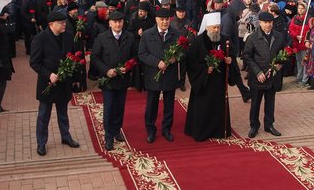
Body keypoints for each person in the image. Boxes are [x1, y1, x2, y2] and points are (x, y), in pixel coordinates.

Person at [30, 11, 80, 156]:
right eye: (61, 23)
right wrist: (49, 74)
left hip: (64, 82)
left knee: (63, 112)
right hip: (48, 83)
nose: (65, 24)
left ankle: (66, 136)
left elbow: (73, 57)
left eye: (65, 22)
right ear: (51, 24)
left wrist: (75, 77)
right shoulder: (40, 38)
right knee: (44, 115)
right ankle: (41, 142)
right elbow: (34, 62)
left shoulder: (68, 35)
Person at [90, 11, 136, 151]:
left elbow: (134, 56)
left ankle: (117, 130)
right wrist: (106, 70)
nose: (118, 24)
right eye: (115, 22)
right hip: (108, 80)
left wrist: (128, 67)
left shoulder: (129, 37)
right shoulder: (102, 37)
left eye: (120, 21)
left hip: (122, 79)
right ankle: (108, 136)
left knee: (120, 106)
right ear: (109, 23)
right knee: (109, 107)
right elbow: (95, 57)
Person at [184, 12, 232, 141]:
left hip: (219, 82)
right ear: (207, 28)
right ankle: (202, 131)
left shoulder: (224, 40)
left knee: (217, 107)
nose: (216, 30)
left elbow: (229, 54)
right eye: (213, 28)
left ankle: (218, 131)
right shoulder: (197, 42)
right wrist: (206, 69)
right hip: (203, 82)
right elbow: (191, 63)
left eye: (218, 27)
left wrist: (229, 61)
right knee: (203, 108)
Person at [139, 8, 182, 143]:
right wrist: (157, 63)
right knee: (152, 105)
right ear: (156, 20)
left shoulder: (176, 33)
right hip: (153, 74)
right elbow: (142, 54)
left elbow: (184, 51)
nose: (164, 22)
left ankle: (166, 129)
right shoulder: (147, 34)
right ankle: (151, 131)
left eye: (167, 19)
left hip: (170, 74)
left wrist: (176, 58)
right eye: (162, 19)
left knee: (169, 105)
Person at [242, 11, 286, 138]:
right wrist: (258, 72)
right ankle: (254, 126)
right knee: (255, 103)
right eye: (265, 22)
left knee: (270, 103)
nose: (268, 25)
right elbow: (247, 56)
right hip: (258, 78)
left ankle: (269, 125)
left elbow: (284, 54)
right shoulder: (253, 38)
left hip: (272, 77)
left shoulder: (278, 36)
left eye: (270, 22)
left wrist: (278, 65)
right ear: (260, 23)